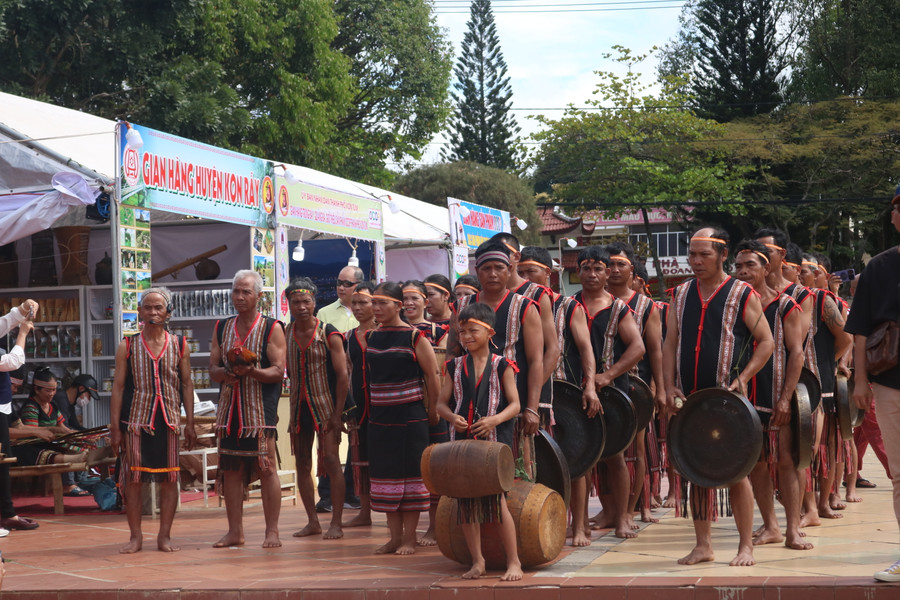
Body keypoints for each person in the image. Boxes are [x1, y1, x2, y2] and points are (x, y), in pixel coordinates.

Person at [663, 227, 774, 567]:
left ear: (722, 255)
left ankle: (745, 546)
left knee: (738, 472)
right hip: (691, 400)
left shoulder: (742, 293)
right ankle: (703, 545)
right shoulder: (680, 294)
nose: (695, 261)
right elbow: (670, 343)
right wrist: (667, 386)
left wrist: (743, 378)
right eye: (692, 255)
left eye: (704, 255)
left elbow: (766, 341)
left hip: (728, 402)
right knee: (694, 468)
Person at [518, 245, 599, 546]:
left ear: (547, 274)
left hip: (565, 391)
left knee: (575, 460)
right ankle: (543, 521)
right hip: (527, 394)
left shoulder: (567, 305)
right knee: (539, 461)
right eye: (521, 271)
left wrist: (590, 385)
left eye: (531, 272)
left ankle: (579, 526)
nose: (525, 277)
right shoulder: (513, 304)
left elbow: (586, 348)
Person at [733, 240, 811, 551]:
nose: (743, 271)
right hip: (745, 396)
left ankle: (793, 529)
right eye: (738, 266)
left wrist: (785, 398)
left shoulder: (785, 305)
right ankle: (771, 525)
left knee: (788, 462)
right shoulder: (734, 304)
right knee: (757, 464)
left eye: (750, 265)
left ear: (767, 268)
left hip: (777, 393)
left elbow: (797, 354)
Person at [436, 302, 522, 581]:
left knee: (498, 501)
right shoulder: (453, 366)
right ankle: (477, 561)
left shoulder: (503, 364)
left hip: (494, 441)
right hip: (461, 440)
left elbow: (515, 405)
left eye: (473, 330)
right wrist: (452, 418)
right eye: (462, 332)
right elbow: (440, 405)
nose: (466, 337)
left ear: (489, 332)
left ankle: (514, 562)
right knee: (465, 502)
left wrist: (494, 420)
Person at [109, 287, 196, 553]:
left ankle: (164, 537)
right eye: (148, 307)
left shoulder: (180, 345)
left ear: (168, 313)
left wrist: (189, 422)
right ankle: (135, 537)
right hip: (136, 422)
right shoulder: (128, 345)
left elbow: (187, 383)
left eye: (159, 307)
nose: (153, 312)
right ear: (139, 312)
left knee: (170, 479)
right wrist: (115, 428)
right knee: (134, 479)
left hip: (168, 421)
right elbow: (119, 388)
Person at [448, 241, 544, 477]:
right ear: (476, 271)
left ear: (510, 269)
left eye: (499, 267)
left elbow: (535, 360)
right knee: (469, 472)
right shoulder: (460, 307)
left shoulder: (525, 307)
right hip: (469, 403)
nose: (492, 274)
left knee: (514, 472)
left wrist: (532, 407)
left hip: (512, 402)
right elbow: (452, 353)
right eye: (486, 268)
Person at [845, 184, 900, 582]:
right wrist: (860, 380)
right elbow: (860, 332)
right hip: (890, 382)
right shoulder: (878, 268)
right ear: (894, 218)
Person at [209, 269, 287, 548]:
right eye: (236, 291)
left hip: (259, 411)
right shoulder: (222, 326)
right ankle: (235, 532)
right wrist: (225, 374)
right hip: (230, 409)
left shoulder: (272, 327)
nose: (239, 297)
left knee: (266, 468)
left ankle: (272, 531)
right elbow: (213, 368)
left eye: (246, 292)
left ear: (258, 296)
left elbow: (278, 371)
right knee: (231, 468)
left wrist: (251, 372)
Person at [573, 245, 645, 540]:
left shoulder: (618, 308)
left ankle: (624, 517)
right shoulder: (567, 305)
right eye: (586, 268)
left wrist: (608, 375)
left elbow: (638, 348)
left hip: (613, 390)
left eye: (598, 268)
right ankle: (579, 524)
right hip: (574, 390)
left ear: (607, 272)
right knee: (581, 456)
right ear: (576, 272)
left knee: (615, 455)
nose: (592, 274)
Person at [364, 282, 440, 555]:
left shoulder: (414, 337)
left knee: (411, 479)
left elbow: (432, 375)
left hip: (410, 417)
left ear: (398, 306)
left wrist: (433, 409)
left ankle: (409, 539)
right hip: (380, 418)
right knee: (385, 477)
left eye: (382, 302)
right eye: (374, 302)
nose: (376, 308)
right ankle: (394, 538)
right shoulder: (372, 337)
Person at [605, 242, 666, 528]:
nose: (615, 270)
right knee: (602, 450)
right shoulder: (591, 301)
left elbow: (655, 350)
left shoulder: (646, 305)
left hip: (636, 386)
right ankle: (609, 510)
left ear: (632, 270)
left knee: (637, 449)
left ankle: (630, 509)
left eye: (621, 264)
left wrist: (658, 389)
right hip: (601, 386)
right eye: (611, 264)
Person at [284, 277, 349, 540]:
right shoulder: (285, 332)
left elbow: (343, 375)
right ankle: (312, 520)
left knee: (332, 461)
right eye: (295, 302)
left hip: (325, 406)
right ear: (288, 304)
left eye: (306, 301)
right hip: (297, 408)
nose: (301, 307)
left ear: (314, 301)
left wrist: (338, 414)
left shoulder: (328, 332)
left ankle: (336, 522)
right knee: (302, 462)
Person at [315, 265, 364, 513]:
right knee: (329, 437)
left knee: (356, 439)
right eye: (339, 282)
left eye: (347, 283)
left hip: (361, 382)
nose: (341, 287)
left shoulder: (368, 310)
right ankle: (326, 495)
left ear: (358, 285)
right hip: (333, 383)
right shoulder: (324, 312)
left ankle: (353, 492)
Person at [402, 279, 448, 547]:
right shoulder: (390, 331)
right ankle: (405, 530)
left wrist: (436, 406)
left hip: (432, 407)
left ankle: (434, 525)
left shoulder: (439, 332)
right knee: (410, 469)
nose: (409, 303)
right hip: (405, 409)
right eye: (405, 299)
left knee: (435, 467)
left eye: (415, 298)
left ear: (425, 302)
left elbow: (441, 372)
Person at [0, 299, 40, 534]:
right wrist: (23, 333)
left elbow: (5, 322)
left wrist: (24, 308)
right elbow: (12, 362)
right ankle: (7, 513)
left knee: (3, 461)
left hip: (2, 406)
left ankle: (8, 513)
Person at [343, 281, 377, 529]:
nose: (357, 307)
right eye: (354, 303)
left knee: (387, 459)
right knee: (361, 460)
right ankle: (364, 511)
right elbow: (347, 373)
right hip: (360, 406)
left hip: (386, 405)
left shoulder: (387, 333)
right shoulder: (348, 337)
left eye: (363, 302)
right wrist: (347, 407)